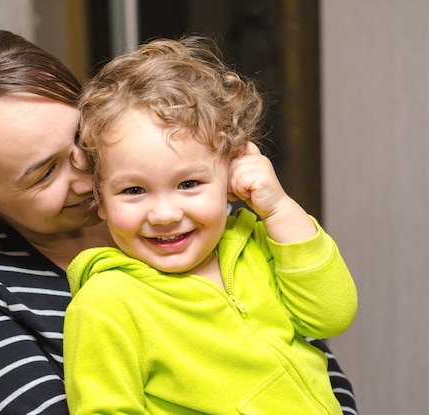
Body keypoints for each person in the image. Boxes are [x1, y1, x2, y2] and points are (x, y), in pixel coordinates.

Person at [0, 28, 357, 415]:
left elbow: (305, 350)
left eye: (82, 136)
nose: (87, 173)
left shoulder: (194, 214)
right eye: (44, 173)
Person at [63, 36, 358, 414]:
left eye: (189, 184)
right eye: (134, 190)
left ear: (231, 173)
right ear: (100, 199)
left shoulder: (257, 242)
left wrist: (280, 209)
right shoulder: (106, 304)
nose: (165, 214)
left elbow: (332, 314)